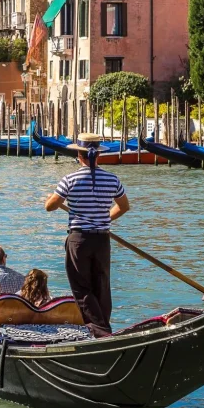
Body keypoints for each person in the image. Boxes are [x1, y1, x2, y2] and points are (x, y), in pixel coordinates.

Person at [44, 133, 130, 338]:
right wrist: (103, 219)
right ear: (98, 155)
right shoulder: (112, 179)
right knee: (101, 285)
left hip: (79, 240)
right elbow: (124, 207)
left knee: (81, 287)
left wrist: (51, 198)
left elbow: (50, 207)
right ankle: (103, 327)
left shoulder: (70, 179)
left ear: (79, 155)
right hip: (102, 239)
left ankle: (101, 331)